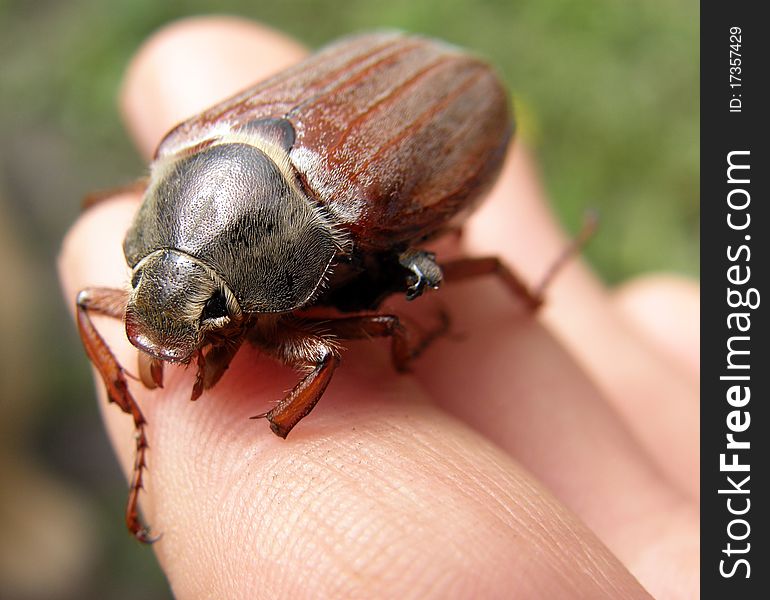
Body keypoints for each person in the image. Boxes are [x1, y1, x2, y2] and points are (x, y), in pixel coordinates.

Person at [59, 17, 699, 599]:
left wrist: (281, 425)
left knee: (401, 300)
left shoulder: (344, 214)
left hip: (444, 116)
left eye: (212, 322)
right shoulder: (187, 151)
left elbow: (324, 355)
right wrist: (134, 405)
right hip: (352, 82)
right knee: (94, 298)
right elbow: (95, 302)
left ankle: (499, 310)